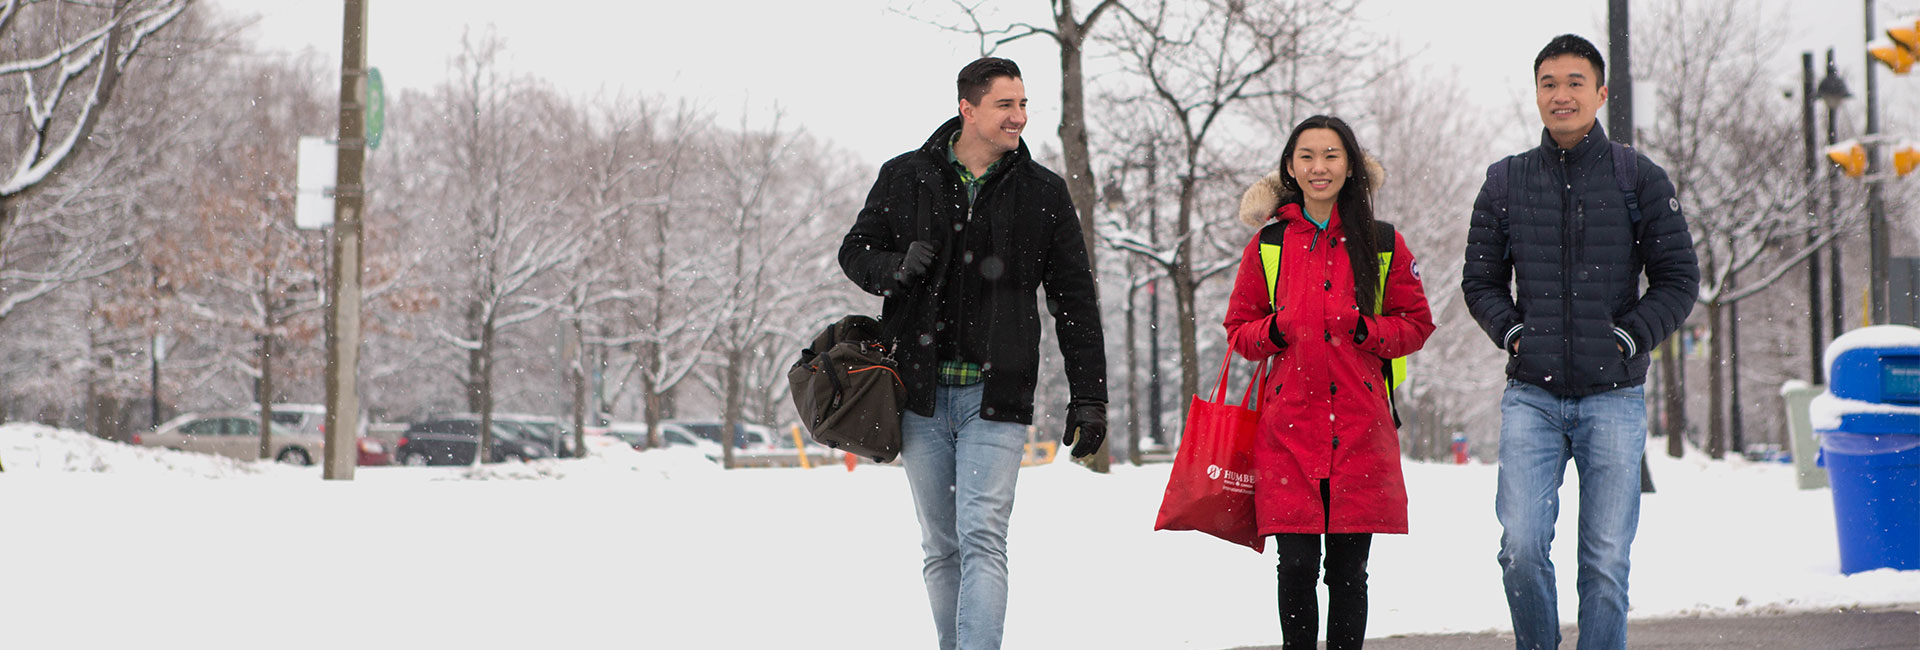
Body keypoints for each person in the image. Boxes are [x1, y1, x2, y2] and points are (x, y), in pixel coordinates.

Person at [838, 56, 1107, 650]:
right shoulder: (905, 176)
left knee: (983, 534)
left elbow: (1075, 302)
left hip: (998, 392)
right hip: (919, 393)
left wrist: (1089, 398)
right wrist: (892, 267)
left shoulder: (1043, 192)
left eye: (1024, 104)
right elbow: (854, 252)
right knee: (942, 545)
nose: (1020, 117)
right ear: (968, 108)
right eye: (1006, 105)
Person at [1461, 34, 1699, 650]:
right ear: (1536, 93)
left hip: (1613, 398)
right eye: (1549, 83)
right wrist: (1514, 333)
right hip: (1531, 399)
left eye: (1574, 83)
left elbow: (1678, 280)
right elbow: (1480, 281)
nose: (1560, 95)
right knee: (1519, 546)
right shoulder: (1506, 181)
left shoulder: (1638, 178)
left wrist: (1626, 337)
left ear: (1600, 93)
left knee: (1604, 560)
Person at [1224, 114, 1436, 650]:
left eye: (1332, 155)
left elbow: (1416, 324)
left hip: (1361, 429)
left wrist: (1367, 329)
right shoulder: (1268, 245)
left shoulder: (1383, 242)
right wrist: (1277, 327)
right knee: (1294, 566)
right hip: (1287, 432)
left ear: (1350, 165)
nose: (1319, 167)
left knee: (1348, 571)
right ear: (1290, 167)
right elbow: (1239, 331)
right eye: (1307, 156)